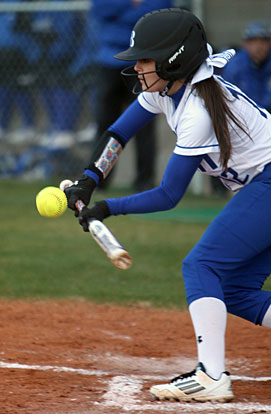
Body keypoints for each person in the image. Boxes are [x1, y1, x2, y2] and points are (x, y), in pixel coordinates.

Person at [64, 9, 271, 403]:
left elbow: (168, 194)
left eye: (146, 59)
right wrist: (90, 178)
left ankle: (211, 376)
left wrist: (106, 208)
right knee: (237, 290)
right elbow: (119, 132)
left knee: (201, 264)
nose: (138, 67)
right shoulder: (168, 90)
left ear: (174, 60)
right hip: (262, 186)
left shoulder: (197, 109)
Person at [85, 0, 172, 192]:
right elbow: (100, 9)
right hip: (109, 61)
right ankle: (97, 179)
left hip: (142, 62)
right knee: (105, 124)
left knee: (144, 124)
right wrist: (131, 6)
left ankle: (144, 181)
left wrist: (121, 14)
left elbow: (158, 13)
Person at [223, 22, 271, 112]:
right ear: (246, 44)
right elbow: (227, 101)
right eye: (253, 41)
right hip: (245, 119)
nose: (259, 46)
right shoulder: (234, 67)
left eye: (263, 41)